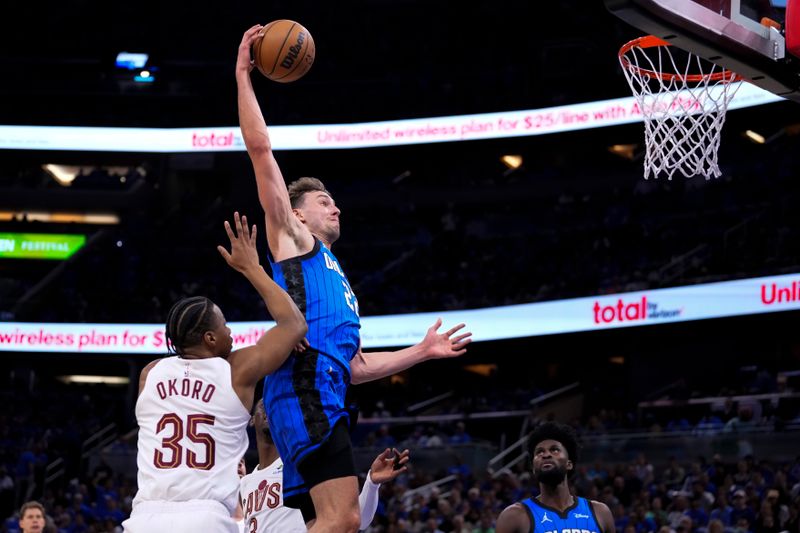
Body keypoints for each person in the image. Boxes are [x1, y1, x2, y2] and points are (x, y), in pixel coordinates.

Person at [235, 25, 473, 533]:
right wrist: (243, 78)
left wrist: (421, 352)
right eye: (323, 201)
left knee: (325, 522)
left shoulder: (334, 273)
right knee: (342, 522)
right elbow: (261, 152)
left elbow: (357, 365)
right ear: (297, 216)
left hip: (323, 389)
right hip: (304, 388)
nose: (335, 205)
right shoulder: (294, 242)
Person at [122, 213, 307, 533]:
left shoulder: (149, 374)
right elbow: (294, 324)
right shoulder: (236, 371)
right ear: (209, 338)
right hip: (204, 516)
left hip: (143, 518)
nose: (230, 331)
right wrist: (251, 267)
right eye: (223, 325)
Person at [239, 400, 410, 532]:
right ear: (252, 420)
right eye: (263, 404)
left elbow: (358, 519)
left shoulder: (302, 463)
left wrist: (372, 484)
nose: (268, 407)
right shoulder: (246, 483)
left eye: (273, 404)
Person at [495, 422, 616, 533]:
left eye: (554, 450)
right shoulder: (514, 516)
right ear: (533, 468)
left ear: (569, 463)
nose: (546, 454)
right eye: (539, 452)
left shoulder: (600, 512)